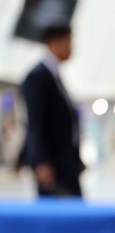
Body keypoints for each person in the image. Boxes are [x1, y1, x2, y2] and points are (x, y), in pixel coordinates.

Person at [20, 24, 82, 196]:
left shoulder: (55, 77)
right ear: (54, 43)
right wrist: (42, 161)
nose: (72, 48)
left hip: (65, 161)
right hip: (52, 164)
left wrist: (76, 158)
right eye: (68, 42)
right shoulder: (37, 78)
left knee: (73, 211)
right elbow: (36, 123)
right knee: (59, 214)